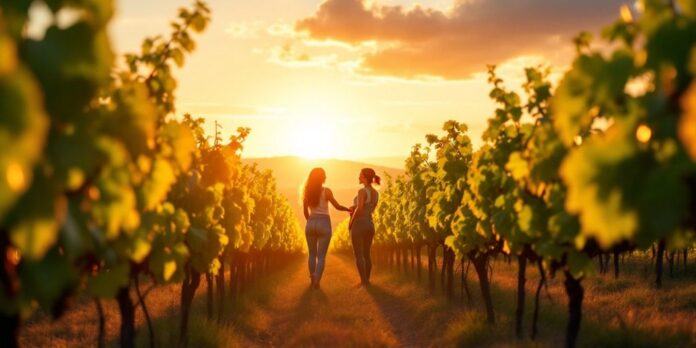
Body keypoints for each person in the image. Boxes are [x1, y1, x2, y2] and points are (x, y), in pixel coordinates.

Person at [302, 167, 351, 289]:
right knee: (321, 256)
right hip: (324, 223)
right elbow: (337, 206)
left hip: (311, 222)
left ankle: (312, 277)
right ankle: (317, 278)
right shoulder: (327, 191)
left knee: (312, 254)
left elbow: (305, 212)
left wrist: (311, 221)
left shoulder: (307, 191)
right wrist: (348, 209)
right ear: (322, 178)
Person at [348, 168, 380, 287]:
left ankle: (363, 281)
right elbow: (368, 208)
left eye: (360, 175)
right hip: (369, 224)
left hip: (359, 224)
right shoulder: (376, 193)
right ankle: (367, 280)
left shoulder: (361, 191)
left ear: (365, 178)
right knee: (367, 254)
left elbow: (360, 208)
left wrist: (351, 221)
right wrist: (354, 207)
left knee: (358, 254)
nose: (358, 177)